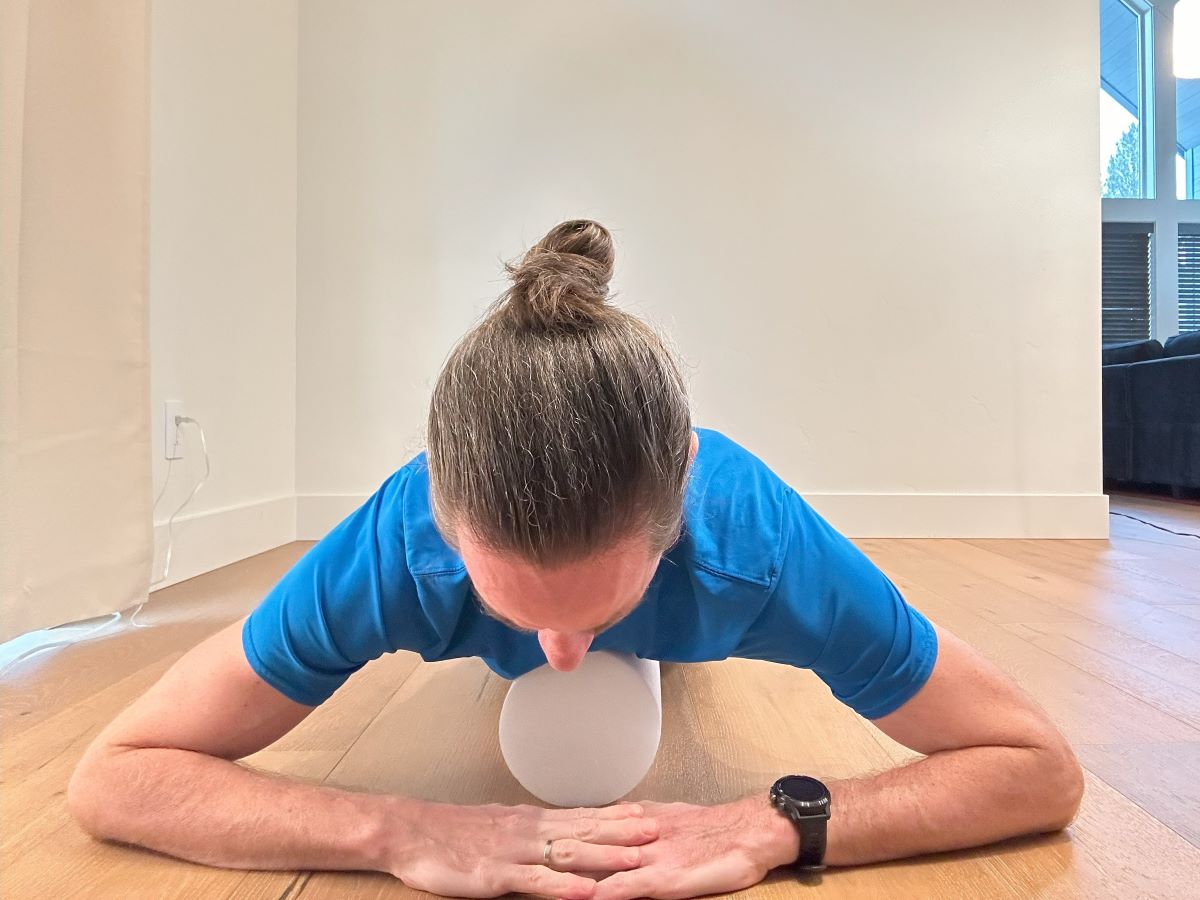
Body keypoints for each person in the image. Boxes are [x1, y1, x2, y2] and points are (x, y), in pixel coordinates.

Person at [68, 220, 1084, 900]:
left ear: (679, 511)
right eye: (515, 610)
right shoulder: (400, 545)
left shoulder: (754, 545)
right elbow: (117, 778)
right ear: (441, 512)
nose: (561, 656)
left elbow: (1036, 769)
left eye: (599, 611)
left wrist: (777, 825)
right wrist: (396, 829)